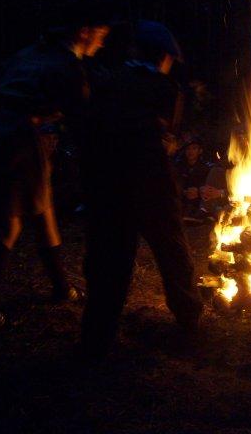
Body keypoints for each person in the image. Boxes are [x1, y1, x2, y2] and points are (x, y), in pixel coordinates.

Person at [0, 0, 110, 331]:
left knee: (43, 208)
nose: (103, 41)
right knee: (11, 224)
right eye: (100, 34)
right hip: (13, 140)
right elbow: (82, 119)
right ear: (83, 32)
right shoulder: (65, 64)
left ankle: (61, 287)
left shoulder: (36, 52)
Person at [80, 20, 203, 358]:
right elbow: (166, 135)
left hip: (108, 186)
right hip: (150, 184)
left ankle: (96, 339)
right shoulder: (163, 88)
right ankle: (190, 320)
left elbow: (90, 131)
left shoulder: (106, 82)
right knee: (172, 251)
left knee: (111, 261)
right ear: (164, 56)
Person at [175, 136, 212, 220]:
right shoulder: (179, 166)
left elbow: (209, 185)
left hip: (199, 199)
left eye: (194, 148)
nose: (190, 152)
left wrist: (198, 191)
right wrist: (184, 192)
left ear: (200, 151)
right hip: (183, 199)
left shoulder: (206, 168)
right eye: (188, 149)